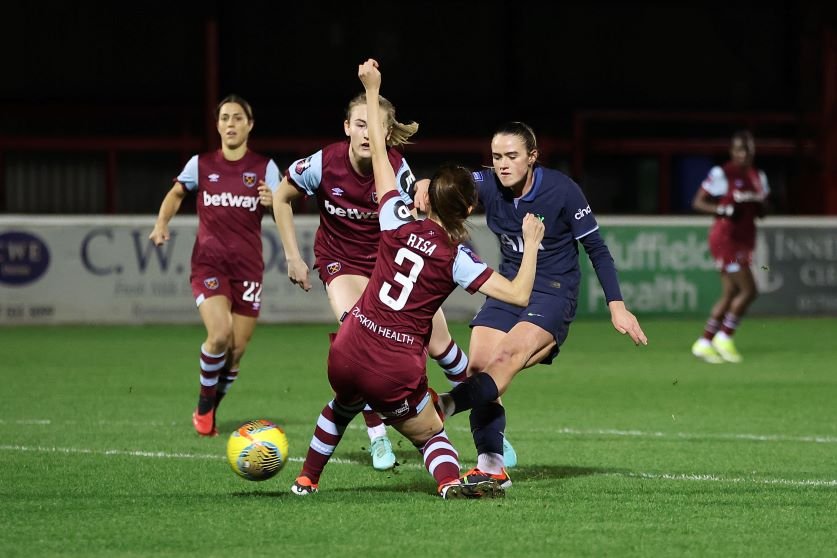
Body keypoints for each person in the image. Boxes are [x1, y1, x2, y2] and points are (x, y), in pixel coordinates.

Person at [289, 59, 545, 499]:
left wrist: (372, 91)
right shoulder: (457, 258)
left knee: (341, 404)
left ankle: (305, 480)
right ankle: (450, 484)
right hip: (393, 364)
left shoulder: (393, 217)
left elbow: (385, 168)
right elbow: (520, 294)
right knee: (431, 432)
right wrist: (533, 243)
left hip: (349, 346)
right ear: (467, 210)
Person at [421, 121, 647, 488]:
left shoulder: (562, 191)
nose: (504, 164)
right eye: (497, 157)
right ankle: (491, 466)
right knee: (479, 369)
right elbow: (458, 180)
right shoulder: (489, 181)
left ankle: (443, 406)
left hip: (554, 292)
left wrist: (616, 305)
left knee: (506, 358)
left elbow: (597, 250)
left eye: (512, 156)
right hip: (511, 288)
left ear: (532, 157)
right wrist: (427, 184)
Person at [273, 73, 480, 471]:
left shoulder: (396, 172)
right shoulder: (322, 163)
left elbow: (421, 224)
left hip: (393, 265)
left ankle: (488, 425)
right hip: (342, 261)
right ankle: (377, 435)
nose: (368, 134)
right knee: (357, 332)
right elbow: (282, 198)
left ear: (389, 135)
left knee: (444, 349)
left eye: (377, 127)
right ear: (347, 126)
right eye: (361, 123)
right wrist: (292, 256)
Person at [149, 94, 279, 436]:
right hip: (209, 265)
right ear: (217, 125)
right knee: (219, 334)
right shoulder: (201, 164)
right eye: (224, 118)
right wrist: (161, 223)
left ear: (249, 125)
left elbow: (286, 208)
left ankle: (209, 407)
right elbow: (177, 193)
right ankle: (205, 408)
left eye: (238, 118)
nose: (231, 124)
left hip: (249, 269)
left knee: (236, 351)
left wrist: (275, 200)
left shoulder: (265, 168)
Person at [690, 130, 769, 363]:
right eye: (738, 150)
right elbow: (698, 202)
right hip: (726, 239)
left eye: (747, 150)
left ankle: (704, 342)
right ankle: (724, 336)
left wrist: (759, 202)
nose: (743, 154)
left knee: (731, 292)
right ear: (732, 152)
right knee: (749, 290)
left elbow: (763, 213)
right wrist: (723, 210)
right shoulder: (723, 174)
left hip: (745, 240)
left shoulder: (757, 177)